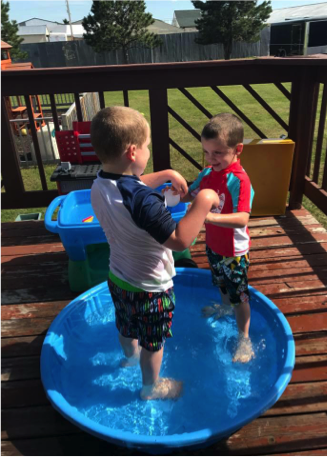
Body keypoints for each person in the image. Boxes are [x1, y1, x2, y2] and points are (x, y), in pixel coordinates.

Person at [90, 106, 219, 400]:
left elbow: (128, 184)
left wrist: (165, 174)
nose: (149, 152)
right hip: (151, 289)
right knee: (153, 342)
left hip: (118, 278)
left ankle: (128, 358)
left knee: (126, 325)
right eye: (147, 147)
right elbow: (179, 240)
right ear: (133, 152)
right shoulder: (145, 201)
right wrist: (204, 201)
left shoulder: (99, 184)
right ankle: (151, 387)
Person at [181, 113, 255, 363]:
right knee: (221, 284)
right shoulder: (207, 173)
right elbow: (191, 195)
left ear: (238, 149)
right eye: (207, 152)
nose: (211, 159)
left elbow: (243, 218)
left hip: (234, 251)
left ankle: (244, 339)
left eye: (219, 153)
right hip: (213, 245)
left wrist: (209, 218)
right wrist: (176, 194)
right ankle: (224, 307)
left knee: (240, 295)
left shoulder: (240, 181)